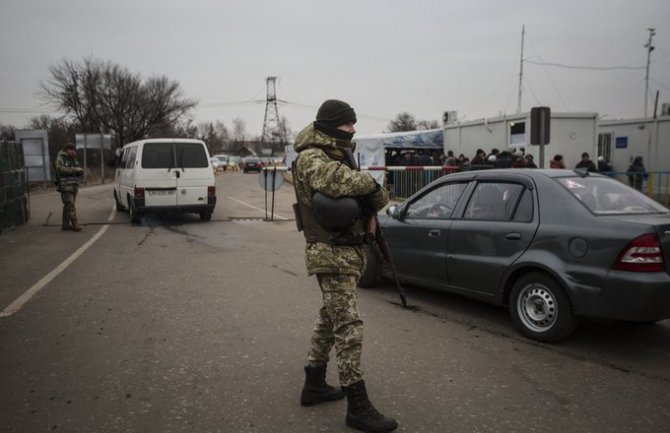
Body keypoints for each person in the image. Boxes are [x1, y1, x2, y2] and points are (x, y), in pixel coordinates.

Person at [292, 99, 398, 432]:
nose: (353, 130)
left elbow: (377, 199)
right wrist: (369, 183)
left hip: (346, 251)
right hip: (329, 251)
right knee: (348, 326)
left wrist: (370, 188)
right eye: (347, 125)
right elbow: (337, 181)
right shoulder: (312, 157)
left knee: (329, 319)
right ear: (330, 126)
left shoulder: (337, 154)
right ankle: (358, 405)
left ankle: (314, 383)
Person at [54, 142, 83, 231]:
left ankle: (65, 225)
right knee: (70, 205)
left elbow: (78, 168)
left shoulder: (74, 159)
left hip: (74, 186)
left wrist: (80, 171)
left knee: (68, 205)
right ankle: (75, 224)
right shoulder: (60, 158)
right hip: (65, 186)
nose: (74, 152)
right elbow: (60, 169)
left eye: (74, 150)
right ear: (67, 150)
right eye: (72, 150)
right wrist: (74, 170)